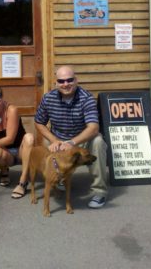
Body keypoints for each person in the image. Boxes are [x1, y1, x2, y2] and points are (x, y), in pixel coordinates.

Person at [34, 66, 109, 208]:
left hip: (82, 140)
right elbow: (39, 123)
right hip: (59, 140)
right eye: (61, 81)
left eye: (69, 80)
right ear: (55, 83)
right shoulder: (48, 98)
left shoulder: (87, 98)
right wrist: (54, 140)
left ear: (76, 80)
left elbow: (93, 128)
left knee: (98, 142)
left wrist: (72, 142)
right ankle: (59, 181)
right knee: (46, 143)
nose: (65, 84)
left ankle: (100, 192)